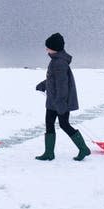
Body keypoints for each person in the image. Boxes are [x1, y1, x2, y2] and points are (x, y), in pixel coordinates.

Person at [35, 33, 91, 161]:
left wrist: (60, 103)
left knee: (64, 124)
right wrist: (43, 84)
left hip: (60, 101)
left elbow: (62, 85)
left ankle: (83, 149)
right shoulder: (56, 60)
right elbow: (54, 79)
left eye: (48, 47)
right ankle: (49, 153)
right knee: (49, 123)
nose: (46, 49)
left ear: (54, 48)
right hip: (53, 101)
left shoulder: (59, 62)